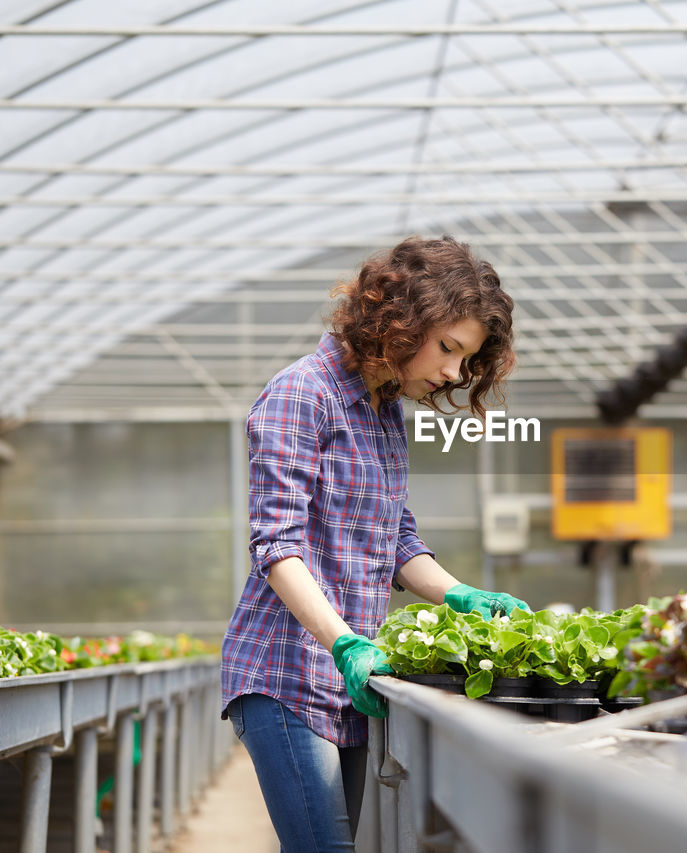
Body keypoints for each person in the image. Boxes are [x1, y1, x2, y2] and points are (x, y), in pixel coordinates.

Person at [220, 235, 529, 852]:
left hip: (349, 680)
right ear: (399, 319)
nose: (452, 373)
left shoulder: (382, 411)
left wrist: (460, 595)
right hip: (285, 673)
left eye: (464, 360)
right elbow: (277, 546)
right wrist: (348, 644)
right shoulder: (300, 396)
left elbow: (396, 542)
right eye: (448, 348)